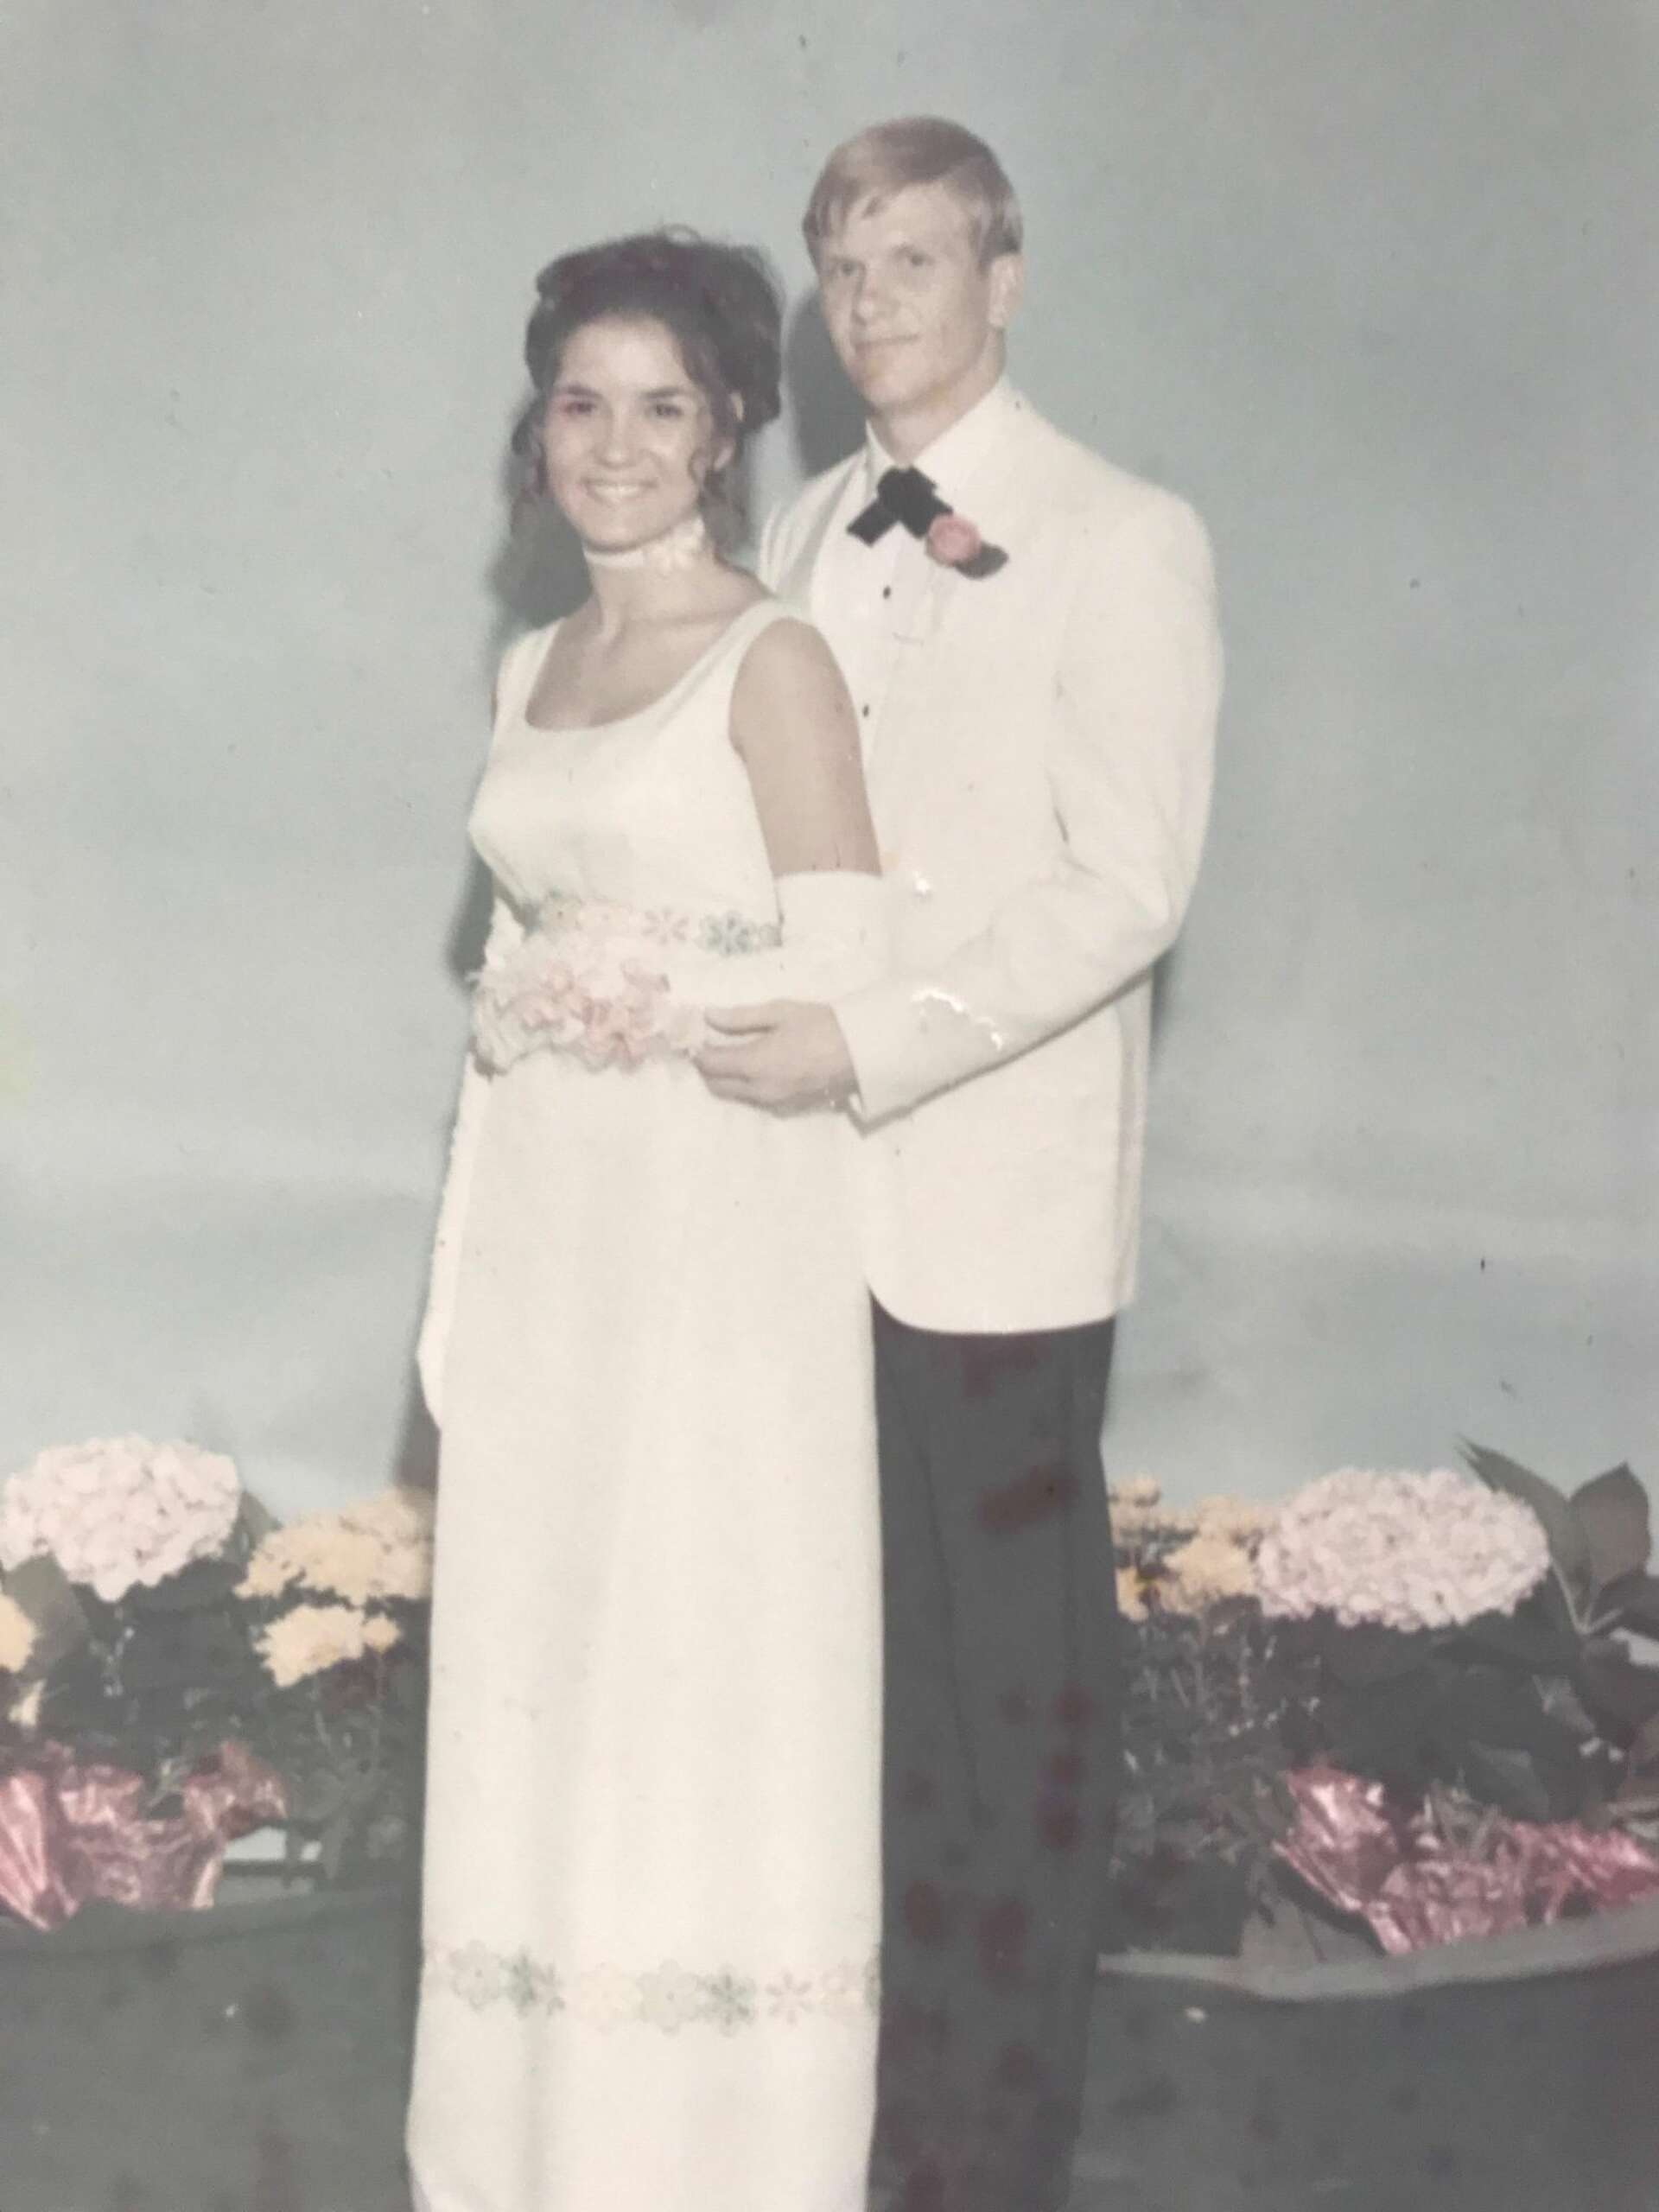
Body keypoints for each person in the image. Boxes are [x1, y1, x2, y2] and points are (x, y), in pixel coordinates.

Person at [701, 119, 1224, 2212]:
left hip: (992, 1220)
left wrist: (872, 1048)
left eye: (918, 258)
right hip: (798, 1216)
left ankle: (998, 2154)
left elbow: (1129, 887)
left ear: (1005, 280)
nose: (875, 300)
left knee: (1013, 1714)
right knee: (859, 1700)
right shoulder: (807, 525)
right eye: (844, 267)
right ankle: (873, 2126)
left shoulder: (1121, 532)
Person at [405, 231, 888, 2212]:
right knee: (546, 1654)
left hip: (715, 1228)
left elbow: (851, 979)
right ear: (542, 426)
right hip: (549, 1225)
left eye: (661, 407)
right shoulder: (535, 663)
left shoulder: (776, 658)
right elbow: (514, 953)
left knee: (696, 1658)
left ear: (731, 437)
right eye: (579, 402)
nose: (612, 444)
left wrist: (654, 1011)